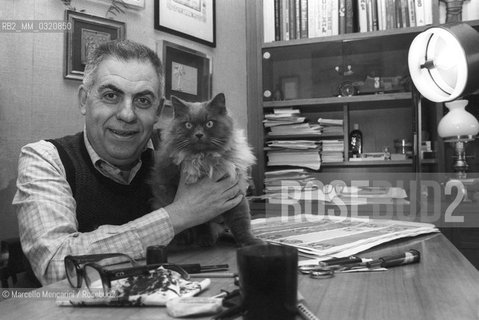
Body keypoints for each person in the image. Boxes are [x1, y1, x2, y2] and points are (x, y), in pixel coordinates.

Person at [12, 40, 243, 285]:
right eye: (111, 96)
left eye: (143, 101)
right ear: (83, 100)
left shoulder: (174, 162)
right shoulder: (45, 159)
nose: (127, 114)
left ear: (157, 112)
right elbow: (55, 267)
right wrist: (179, 214)